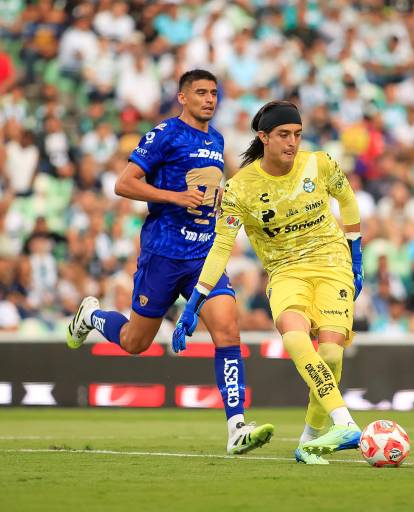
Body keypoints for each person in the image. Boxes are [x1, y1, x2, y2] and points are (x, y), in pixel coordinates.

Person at [65, 69, 273, 455]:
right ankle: (92, 317)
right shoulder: (164, 134)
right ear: (182, 97)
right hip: (163, 254)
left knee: (227, 329)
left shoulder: (217, 139)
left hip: (202, 256)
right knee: (134, 342)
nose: (209, 99)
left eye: (213, 93)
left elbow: (213, 191)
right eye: (200, 93)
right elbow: (123, 183)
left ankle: (236, 427)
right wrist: (176, 197)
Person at [173, 101, 364, 465]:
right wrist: (195, 300)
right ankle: (346, 422)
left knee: (330, 355)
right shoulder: (240, 189)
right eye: (283, 135)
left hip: (332, 263)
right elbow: (220, 249)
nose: (292, 142)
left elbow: (348, 201)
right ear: (263, 137)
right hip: (286, 271)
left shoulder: (319, 163)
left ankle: (309, 441)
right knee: (293, 336)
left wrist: (356, 253)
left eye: (297, 134)